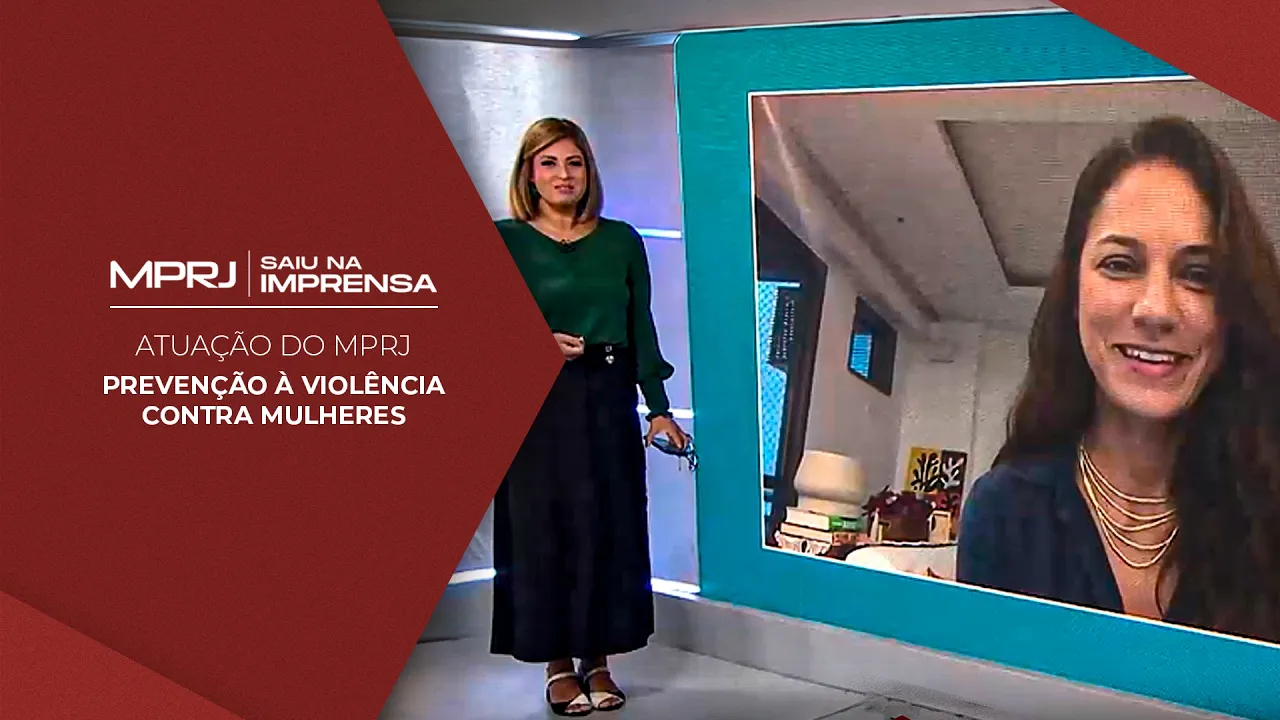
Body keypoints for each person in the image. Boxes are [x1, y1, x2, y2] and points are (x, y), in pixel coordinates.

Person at [956, 116, 1280, 645]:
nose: (1156, 309)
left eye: (1197, 274)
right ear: (1073, 289)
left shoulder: (1269, 512)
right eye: (1121, 264)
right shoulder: (1007, 512)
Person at [490, 117, 689, 716]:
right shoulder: (505, 240)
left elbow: (640, 326)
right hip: (535, 401)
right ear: (529, 173)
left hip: (607, 393)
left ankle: (598, 661)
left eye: (574, 163)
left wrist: (659, 409)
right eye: (549, 163)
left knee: (609, 524)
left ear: (589, 172)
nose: (563, 175)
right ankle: (557, 665)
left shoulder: (621, 240)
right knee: (543, 528)